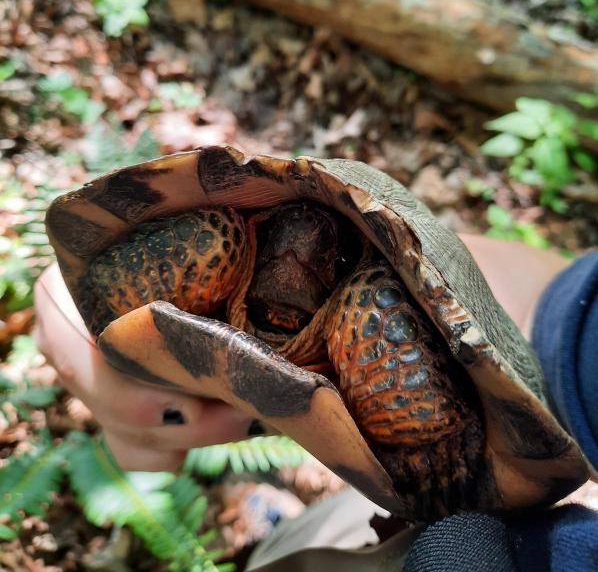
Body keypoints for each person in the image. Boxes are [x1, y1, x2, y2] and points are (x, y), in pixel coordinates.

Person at [34, 235, 598, 571]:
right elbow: (564, 322)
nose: (296, 257)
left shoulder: (362, 302)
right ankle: (286, 533)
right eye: (276, 239)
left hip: (488, 533)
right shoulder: (231, 243)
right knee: (286, 554)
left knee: (372, 307)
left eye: (322, 252)